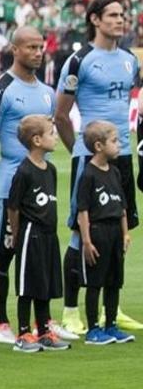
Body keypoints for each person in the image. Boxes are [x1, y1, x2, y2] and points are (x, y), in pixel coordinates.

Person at [54, 0, 142, 336]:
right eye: (113, 15)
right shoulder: (79, 60)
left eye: (123, 14)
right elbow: (61, 114)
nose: (121, 20)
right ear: (95, 19)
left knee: (117, 231)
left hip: (121, 155)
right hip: (90, 157)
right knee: (81, 233)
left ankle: (111, 308)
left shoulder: (129, 60)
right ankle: (72, 310)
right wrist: (80, 151)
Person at [0, 26, 58, 346]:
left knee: (38, 252)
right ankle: (1, 323)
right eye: (31, 47)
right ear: (15, 50)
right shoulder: (1, 88)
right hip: (10, 182)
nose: (38, 52)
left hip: (39, 183)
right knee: (4, 251)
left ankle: (43, 322)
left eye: (41, 47)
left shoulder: (47, 92)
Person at [5, 115, 69, 352]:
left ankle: (43, 331)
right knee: (28, 285)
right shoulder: (24, 171)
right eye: (51, 134)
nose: (56, 137)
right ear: (37, 140)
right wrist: (17, 234)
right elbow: (13, 206)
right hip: (30, 233)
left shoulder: (50, 169)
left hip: (49, 234)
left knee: (45, 282)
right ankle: (23, 333)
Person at [75, 122, 134, 345]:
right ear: (99, 146)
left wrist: (125, 233)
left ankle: (111, 324)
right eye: (114, 141)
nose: (119, 145)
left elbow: (122, 208)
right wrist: (87, 241)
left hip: (115, 234)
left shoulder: (115, 172)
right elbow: (83, 211)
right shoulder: (88, 174)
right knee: (95, 282)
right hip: (98, 232)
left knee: (114, 281)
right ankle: (93, 329)